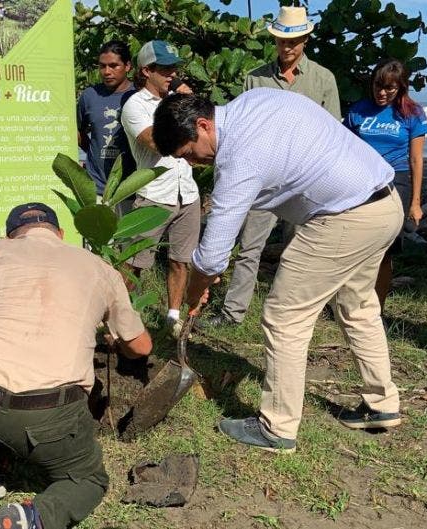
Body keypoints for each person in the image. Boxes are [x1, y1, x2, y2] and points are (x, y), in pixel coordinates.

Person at [153, 90, 403, 451]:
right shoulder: (256, 101)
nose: (194, 163)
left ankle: (277, 426)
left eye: (189, 153)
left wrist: (194, 295)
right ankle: (381, 404)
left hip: (343, 218)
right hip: (384, 204)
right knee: (358, 306)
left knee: (285, 317)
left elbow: (211, 258)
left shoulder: (238, 159)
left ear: (203, 125)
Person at [0, 203, 152, 529]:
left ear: (12, 235)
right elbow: (142, 346)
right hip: (51, 420)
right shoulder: (100, 268)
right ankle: (36, 517)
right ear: (60, 235)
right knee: (89, 480)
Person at [206, 6, 342, 328]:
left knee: (304, 252)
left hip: (305, 180)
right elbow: (242, 128)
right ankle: (232, 313)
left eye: (293, 41)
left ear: (306, 40)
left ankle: (299, 314)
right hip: (264, 178)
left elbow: (333, 133)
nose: (287, 47)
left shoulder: (324, 79)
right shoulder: (255, 76)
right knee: (249, 249)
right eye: (282, 41)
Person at [120, 40, 199, 335]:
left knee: (181, 260)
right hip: (154, 194)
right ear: (146, 70)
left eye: (173, 68)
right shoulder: (135, 106)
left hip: (187, 194)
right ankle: (120, 317)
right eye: (164, 68)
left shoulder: (178, 102)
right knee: (134, 263)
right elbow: (158, 143)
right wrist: (177, 108)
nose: (171, 74)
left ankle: (173, 317)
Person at [344, 58, 427, 310]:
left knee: (384, 250)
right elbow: (343, 150)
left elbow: (416, 159)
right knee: (354, 246)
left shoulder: (412, 114)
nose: (382, 93)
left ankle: (376, 308)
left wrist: (415, 202)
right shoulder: (358, 110)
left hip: (395, 184)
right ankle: (350, 304)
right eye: (378, 86)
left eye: (389, 88)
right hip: (360, 183)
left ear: (401, 87)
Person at [77, 40, 136, 197]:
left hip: (130, 189)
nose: (107, 71)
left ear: (127, 66)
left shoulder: (138, 96)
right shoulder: (89, 96)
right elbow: (77, 131)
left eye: (113, 65)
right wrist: (92, 150)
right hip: (95, 189)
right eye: (102, 66)